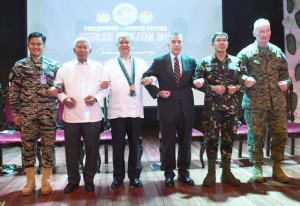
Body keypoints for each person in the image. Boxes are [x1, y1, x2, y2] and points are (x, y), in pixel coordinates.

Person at [237, 18, 291, 183]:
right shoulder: (246, 53)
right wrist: (244, 79)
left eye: (267, 30)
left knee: (280, 134)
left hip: (276, 104)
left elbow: (286, 76)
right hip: (255, 104)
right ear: (254, 33)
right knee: (256, 136)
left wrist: (286, 84)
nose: (265, 34)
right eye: (261, 31)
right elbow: (236, 73)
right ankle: (257, 167)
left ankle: (277, 167)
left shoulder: (277, 52)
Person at [194, 32, 250, 186]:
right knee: (211, 140)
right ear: (212, 44)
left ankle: (226, 172)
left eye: (224, 40)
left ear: (227, 43)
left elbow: (245, 80)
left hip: (231, 109)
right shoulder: (205, 62)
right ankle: (211, 172)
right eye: (218, 40)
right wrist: (211, 88)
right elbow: (196, 82)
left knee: (228, 140)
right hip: (211, 109)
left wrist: (237, 87)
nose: (221, 42)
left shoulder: (237, 62)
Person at [9, 32, 62, 195]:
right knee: (28, 147)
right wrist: (16, 113)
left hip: (48, 114)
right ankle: (30, 182)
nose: (36, 46)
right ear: (28, 45)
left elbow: (62, 86)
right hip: (27, 115)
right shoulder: (19, 65)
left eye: (39, 44)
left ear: (44, 46)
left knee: (48, 147)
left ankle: (46, 181)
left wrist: (58, 89)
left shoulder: (54, 65)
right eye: (32, 43)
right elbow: (14, 91)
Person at [142, 32, 197, 187]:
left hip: (186, 108)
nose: (177, 44)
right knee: (168, 143)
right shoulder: (160, 61)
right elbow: (146, 77)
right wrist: (157, 92)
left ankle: (184, 173)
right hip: (167, 108)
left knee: (186, 142)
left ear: (182, 44)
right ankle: (168, 174)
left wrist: (201, 82)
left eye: (179, 41)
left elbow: (196, 79)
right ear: (168, 44)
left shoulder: (190, 61)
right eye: (173, 42)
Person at [55, 36, 106, 193]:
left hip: (93, 116)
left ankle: (89, 179)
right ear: (74, 50)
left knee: (92, 150)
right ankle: (73, 180)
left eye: (85, 47)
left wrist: (97, 98)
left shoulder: (99, 67)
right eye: (79, 47)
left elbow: (106, 87)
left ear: (90, 50)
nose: (82, 50)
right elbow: (57, 87)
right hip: (71, 116)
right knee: (71, 150)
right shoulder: (65, 67)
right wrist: (64, 99)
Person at [101, 32, 149, 189]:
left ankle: (135, 176)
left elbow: (151, 78)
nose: (124, 44)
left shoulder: (141, 63)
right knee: (118, 146)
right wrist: (98, 91)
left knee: (135, 145)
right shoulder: (108, 64)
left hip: (135, 111)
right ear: (116, 45)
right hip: (117, 112)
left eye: (127, 42)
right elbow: (104, 87)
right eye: (121, 42)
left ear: (131, 44)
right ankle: (118, 177)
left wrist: (152, 80)